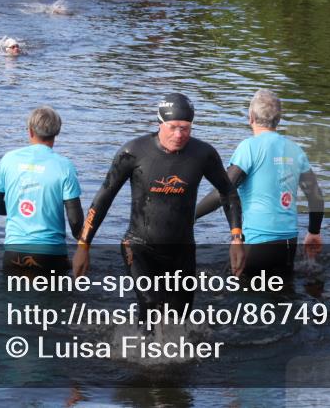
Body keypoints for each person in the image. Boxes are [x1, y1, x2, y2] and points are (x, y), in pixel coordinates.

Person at [72, 93, 244, 314]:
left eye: (185, 128)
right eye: (173, 127)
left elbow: (228, 193)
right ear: (159, 123)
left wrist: (236, 238)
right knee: (151, 305)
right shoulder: (133, 152)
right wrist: (83, 245)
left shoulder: (203, 154)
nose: (179, 134)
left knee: (179, 316)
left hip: (182, 250)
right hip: (138, 246)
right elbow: (104, 198)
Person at [196, 89, 324, 278]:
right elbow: (315, 196)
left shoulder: (249, 147)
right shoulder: (295, 150)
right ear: (278, 119)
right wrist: (313, 232)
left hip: (256, 244)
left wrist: (191, 216)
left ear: (251, 117)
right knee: (282, 291)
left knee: (237, 291)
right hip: (289, 244)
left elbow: (223, 191)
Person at [0, 106, 84, 276]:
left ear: (30, 131)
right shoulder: (65, 166)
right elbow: (75, 220)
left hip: (13, 253)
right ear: (57, 132)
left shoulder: (9, 159)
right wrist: (84, 245)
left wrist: (18, 212)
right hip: (50, 255)